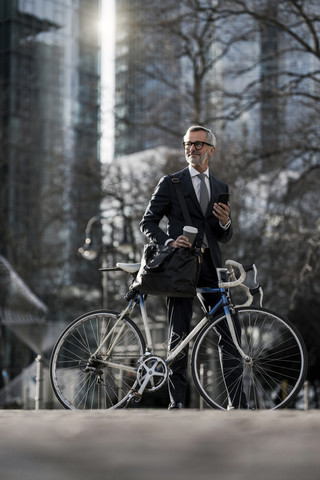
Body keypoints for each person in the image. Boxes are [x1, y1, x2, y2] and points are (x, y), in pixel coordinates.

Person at [140, 125, 247, 410]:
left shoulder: (221, 188)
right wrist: (168, 241)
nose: (192, 149)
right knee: (178, 335)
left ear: (211, 150)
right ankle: (177, 403)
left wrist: (225, 222)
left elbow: (223, 235)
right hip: (181, 267)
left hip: (211, 266)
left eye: (199, 144)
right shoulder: (170, 183)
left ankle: (239, 403)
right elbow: (148, 222)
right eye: (188, 144)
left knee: (230, 335)